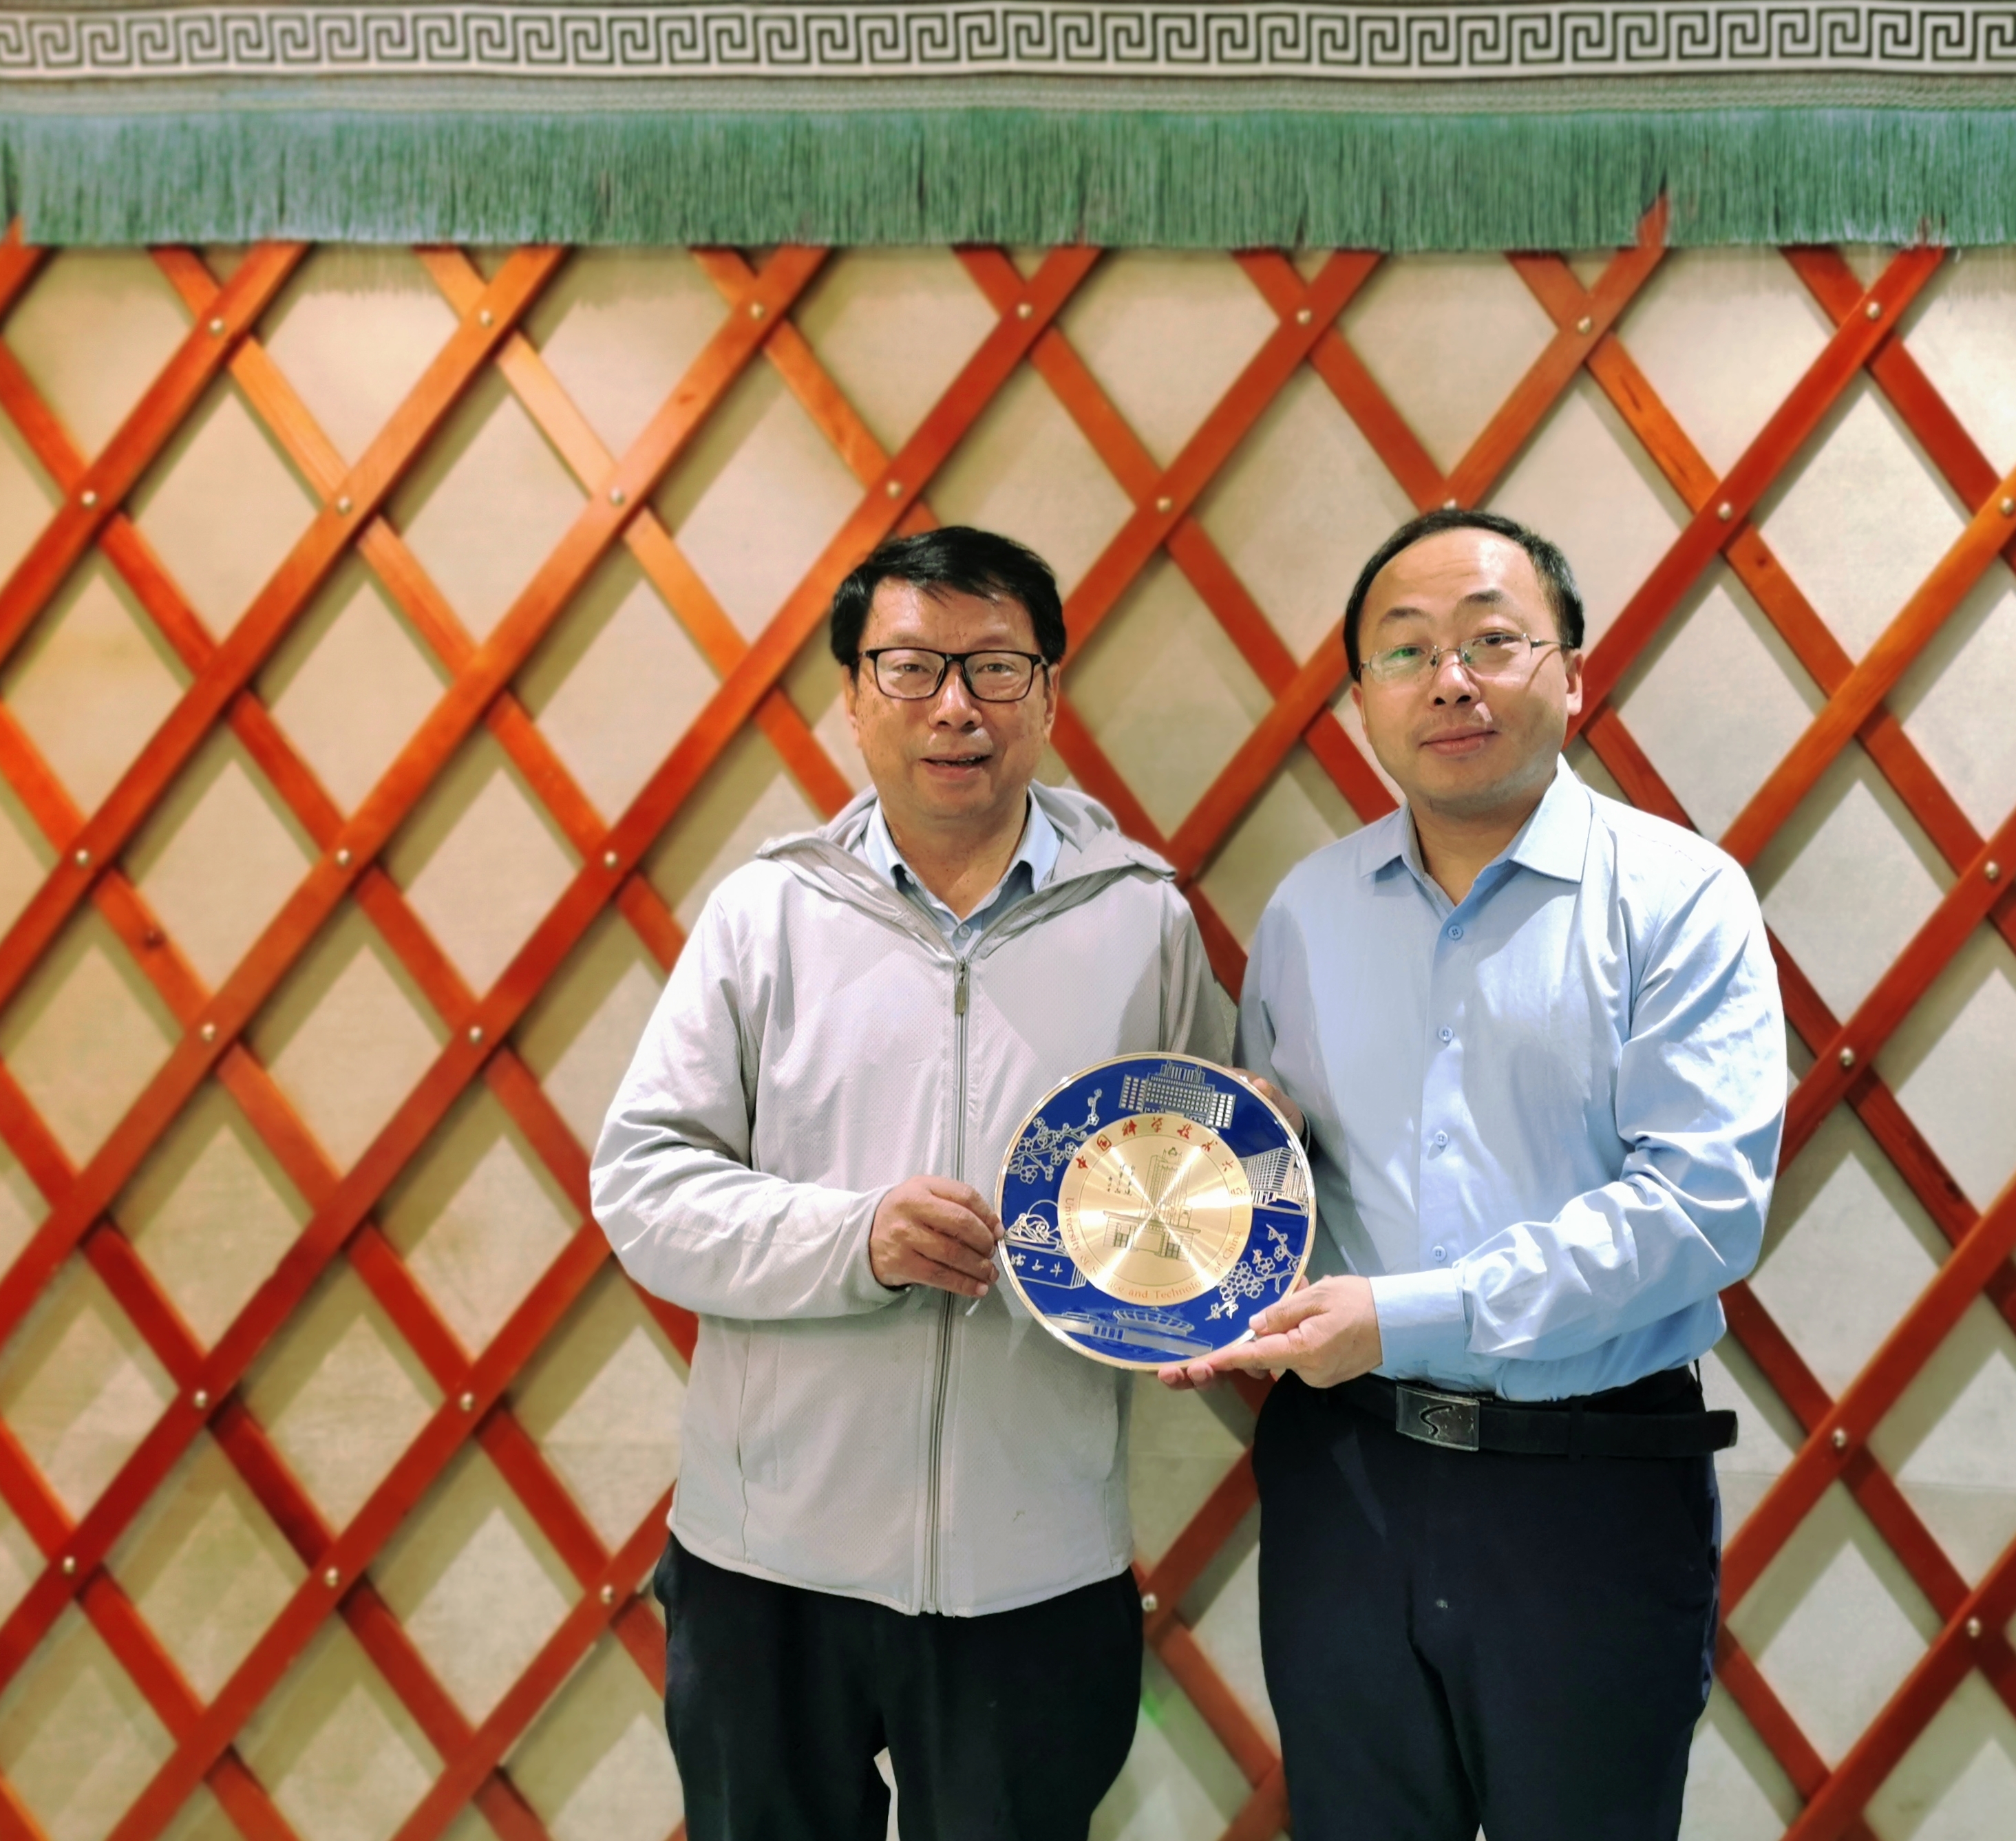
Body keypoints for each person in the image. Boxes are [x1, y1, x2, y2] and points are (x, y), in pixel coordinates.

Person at [593, 526, 1232, 1841]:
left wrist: (1207, 1245)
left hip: (1035, 1565)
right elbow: (645, 1187)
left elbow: (1196, 1199)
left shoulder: (1141, 920)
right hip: (765, 1561)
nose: (954, 707)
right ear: (851, 694)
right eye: (909, 667)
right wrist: (857, 1240)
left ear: (1048, 693)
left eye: (996, 667)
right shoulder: (766, 914)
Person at [1162, 508, 1785, 1839]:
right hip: (1344, 1479)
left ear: (1572, 674)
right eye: (1404, 652)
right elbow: (1279, 1181)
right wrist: (1203, 1234)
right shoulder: (1308, 912)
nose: (1448, 680)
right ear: (1360, 702)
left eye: (1491, 641)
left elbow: (1700, 1213)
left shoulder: (1677, 897)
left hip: (1587, 1483)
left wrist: (1404, 1316)